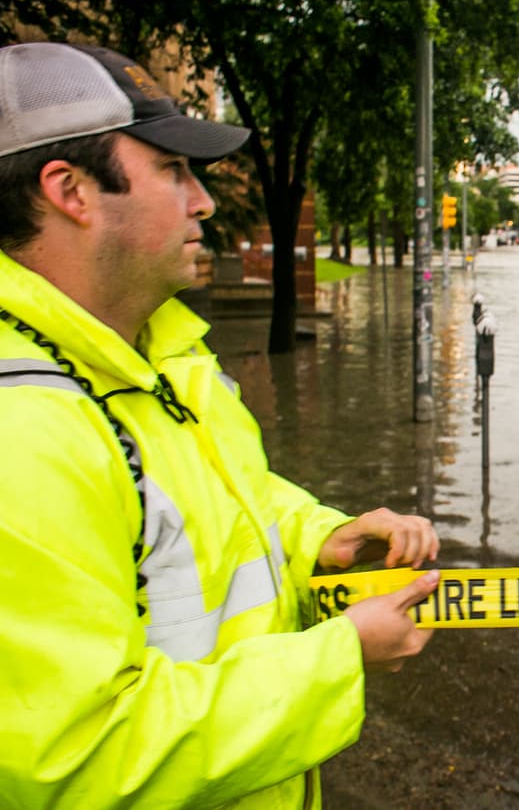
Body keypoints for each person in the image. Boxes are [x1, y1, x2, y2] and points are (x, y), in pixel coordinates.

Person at [0, 42, 441, 807]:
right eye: (172, 170)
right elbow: (78, 758)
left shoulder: (163, 355)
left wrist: (320, 541)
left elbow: (228, 508)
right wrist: (338, 657)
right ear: (70, 190)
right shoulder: (21, 431)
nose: (202, 200)